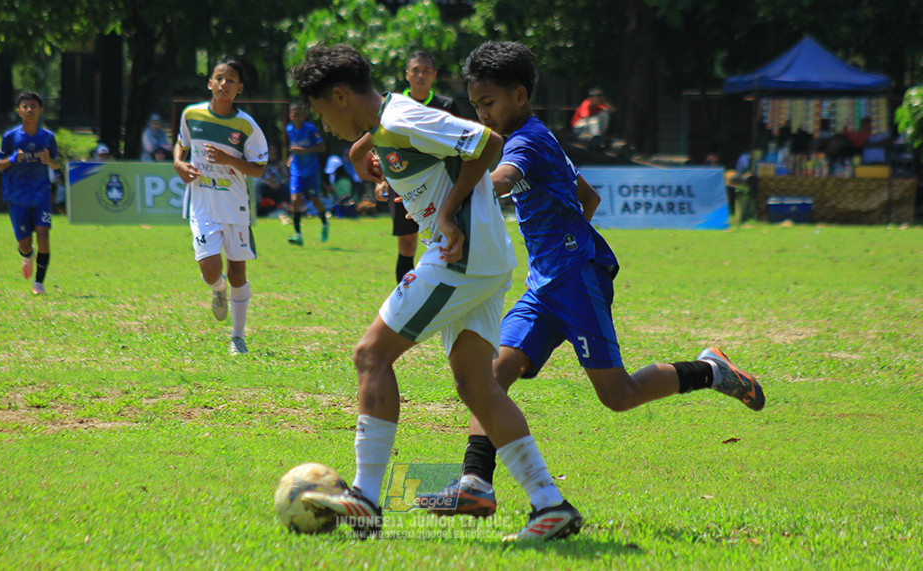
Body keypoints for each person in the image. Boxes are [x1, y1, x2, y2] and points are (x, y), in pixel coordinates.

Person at [428, 41, 765, 519]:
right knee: (489, 377)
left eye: (488, 104)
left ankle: (711, 371)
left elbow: (501, 180)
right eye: (476, 105)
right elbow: (586, 197)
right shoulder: (536, 135)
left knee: (618, 395)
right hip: (545, 283)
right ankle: (474, 483)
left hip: (575, 279)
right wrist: (561, 240)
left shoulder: (526, 140)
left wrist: (450, 186)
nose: (482, 115)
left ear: (519, 96)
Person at [288, 43, 582, 542]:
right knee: (476, 386)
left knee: (370, 354)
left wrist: (447, 212)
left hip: (460, 258)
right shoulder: (386, 127)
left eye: (320, 111)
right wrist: (368, 153)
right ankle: (551, 505)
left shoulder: (401, 117)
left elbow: (487, 143)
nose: (322, 124)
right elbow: (407, 146)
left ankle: (364, 498)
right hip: (484, 260)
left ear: (339, 96)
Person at [172, 59, 268, 356]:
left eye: (231, 80)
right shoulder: (192, 114)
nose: (224, 84)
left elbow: (259, 169)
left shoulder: (247, 126)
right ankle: (218, 289)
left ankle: (237, 338)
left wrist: (229, 161)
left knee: (238, 274)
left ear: (239, 88)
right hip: (202, 203)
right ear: (210, 83)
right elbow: (181, 144)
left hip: (234, 206)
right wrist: (178, 163)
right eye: (219, 78)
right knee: (210, 270)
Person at [381, 50, 461, 283]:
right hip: (403, 183)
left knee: (442, 239)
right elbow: (384, 144)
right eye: (416, 70)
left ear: (434, 75)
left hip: (440, 185)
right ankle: (403, 298)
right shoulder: (393, 105)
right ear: (407, 74)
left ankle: (442, 290)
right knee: (407, 242)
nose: (421, 75)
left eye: (426, 71)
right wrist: (382, 180)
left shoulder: (446, 105)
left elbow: (459, 146)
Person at [0, 91, 61, 295]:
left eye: (33, 106)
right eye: (25, 106)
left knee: (43, 236)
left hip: (40, 195)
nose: (29, 109)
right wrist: (13, 159)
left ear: (41, 110)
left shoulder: (47, 137)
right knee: (24, 244)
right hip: (17, 197)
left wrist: (48, 161)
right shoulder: (10, 137)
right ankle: (27, 255)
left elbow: (57, 164)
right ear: (19, 111)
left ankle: (39, 284)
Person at [284, 102, 329, 246]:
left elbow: (322, 147)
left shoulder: (310, 129)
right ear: (290, 115)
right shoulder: (289, 129)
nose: (296, 117)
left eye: (299, 114)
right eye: (294, 114)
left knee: (314, 199)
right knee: (295, 199)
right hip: (297, 170)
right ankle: (298, 235)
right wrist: (290, 158)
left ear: (304, 115)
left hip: (311, 170)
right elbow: (292, 148)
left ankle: (325, 223)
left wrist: (303, 151)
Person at [254, 143, 288, 215]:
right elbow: (259, 177)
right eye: (270, 153)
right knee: (258, 186)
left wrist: (279, 184)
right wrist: (269, 183)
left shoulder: (280, 165)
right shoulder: (263, 165)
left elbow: (285, 177)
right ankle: (259, 207)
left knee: (287, 187)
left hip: (279, 186)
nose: (272, 155)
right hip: (266, 186)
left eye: (274, 154)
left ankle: (287, 206)